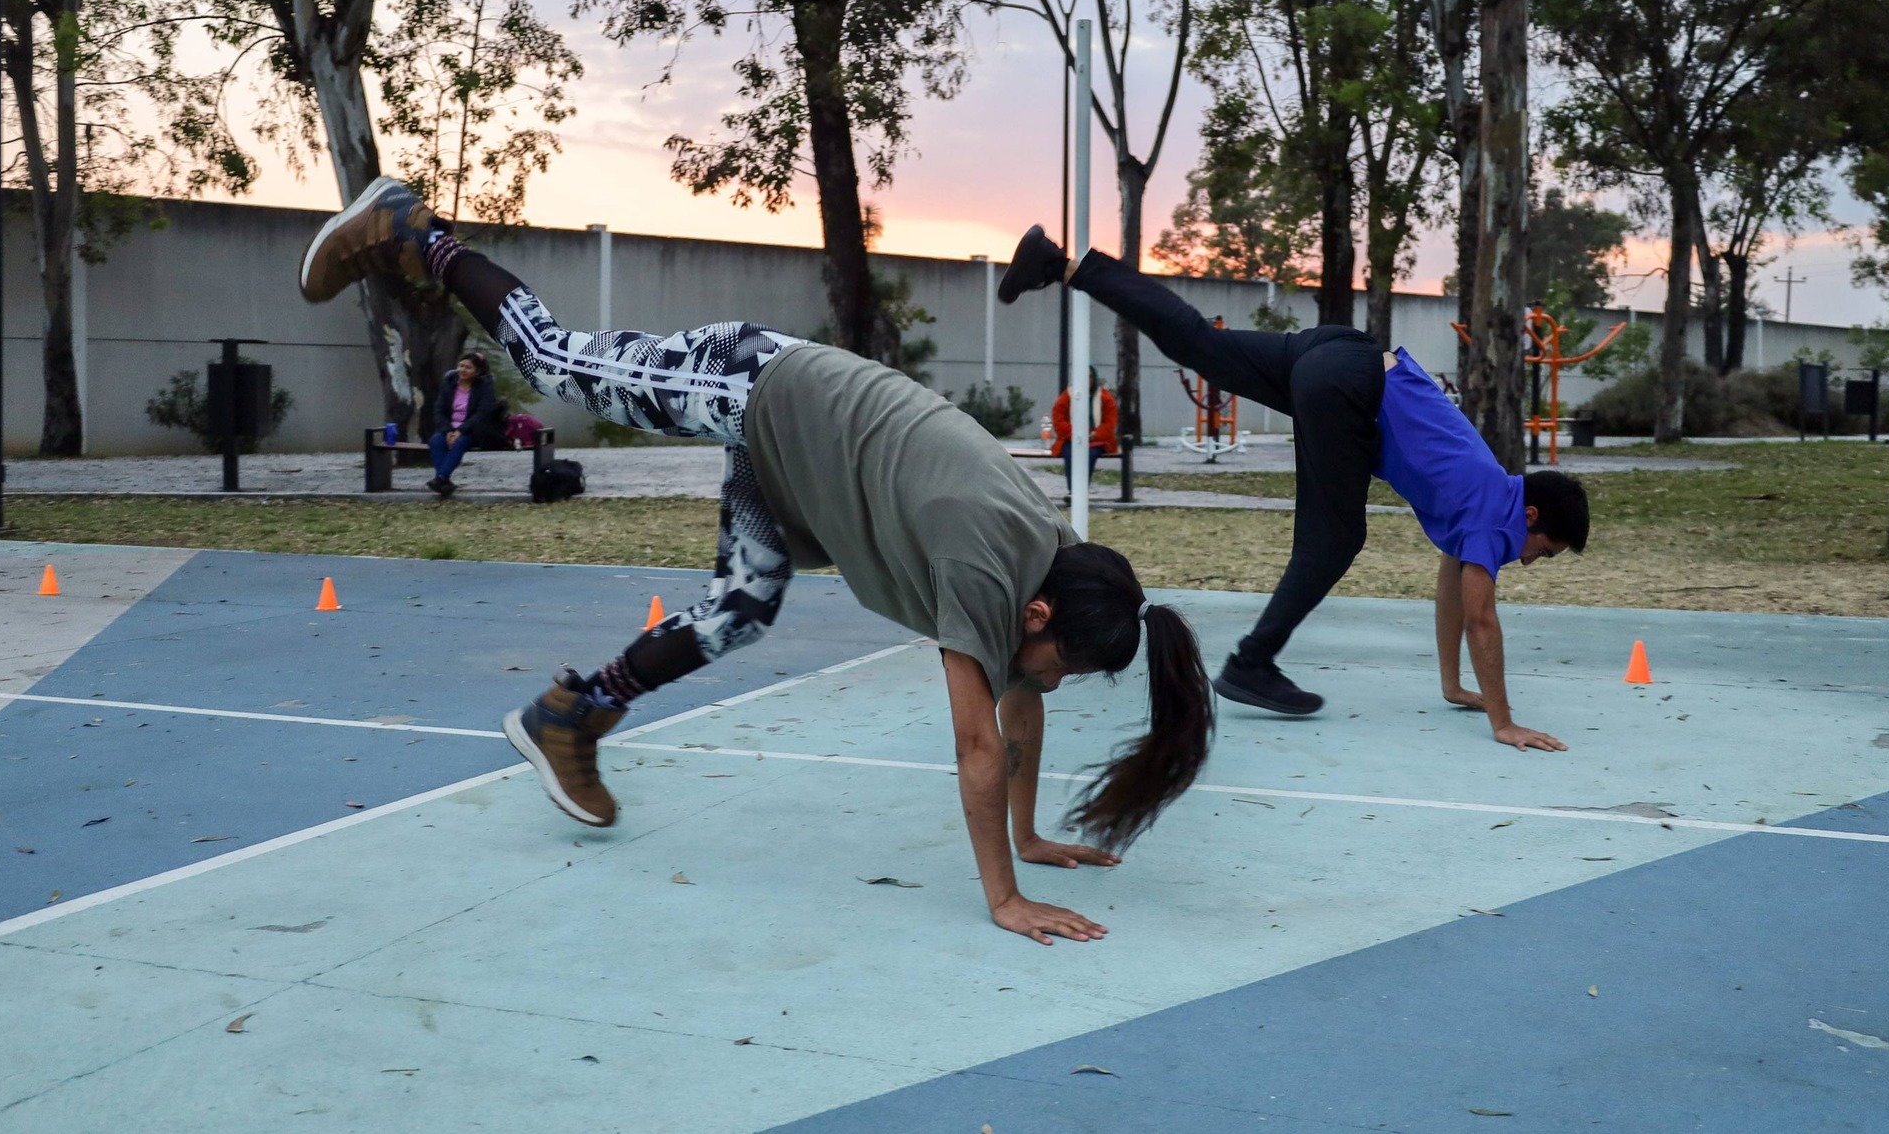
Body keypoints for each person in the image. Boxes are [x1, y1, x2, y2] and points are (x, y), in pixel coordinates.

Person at [297, 178, 1217, 945]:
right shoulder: (986, 567)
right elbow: (982, 743)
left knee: (741, 607)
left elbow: (1021, 703)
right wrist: (1005, 898)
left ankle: (569, 716)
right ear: (1039, 616)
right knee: (550, 362)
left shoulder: (1059, 566)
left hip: (787, 456)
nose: (1044, 684)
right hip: (750, 381)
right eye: (1056, 668)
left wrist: (1030, 835)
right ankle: (418, 230)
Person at [998, 226, 1588, 751]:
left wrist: (1453, 685)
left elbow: (1453, 586)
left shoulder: (1487, 490)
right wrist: (1504, 722)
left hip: (1336, 353)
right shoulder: (1495, 513)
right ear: (1532, 515)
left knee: (1200, 344)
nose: (1529, 561)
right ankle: (1251, 662)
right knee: (1334, 541)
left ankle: (1062, 265)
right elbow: (1481, 619)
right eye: (1543, 551)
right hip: (1351, 387)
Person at [426, 350, 504, 497]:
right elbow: (438, 410)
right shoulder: (449, 384)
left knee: (459, 442)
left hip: (473, 429)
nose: (463, 370)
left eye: (468, 367)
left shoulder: (485, 387)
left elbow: (482, 414)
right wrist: (448, 430)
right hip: (449, 428)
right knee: (435, 441)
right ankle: (443, 481)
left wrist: (461, 430)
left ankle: (441, 478)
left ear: (477, 371)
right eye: (461, 366)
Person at [1050, 368, 1118, 480]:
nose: (1087, 380)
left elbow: (1110, 422)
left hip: (1097, 439)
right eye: (1084, 377)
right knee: (1070, 453)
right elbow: (1058, 420)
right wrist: (1075, 434)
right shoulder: (1067, 396)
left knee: (1089, 454)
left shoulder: (1105, 397)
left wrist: (1095, 434)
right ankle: (1073, 488)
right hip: (1070, 438)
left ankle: (1081, 487)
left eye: (1090, 377)